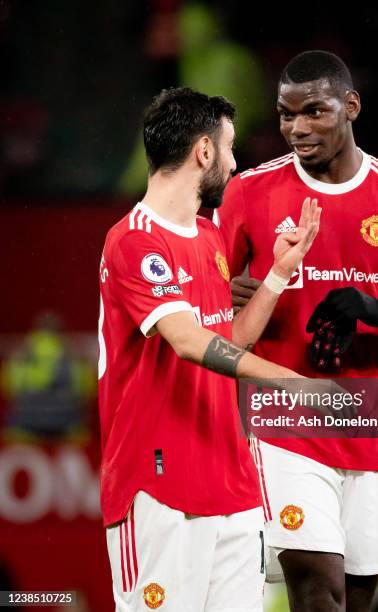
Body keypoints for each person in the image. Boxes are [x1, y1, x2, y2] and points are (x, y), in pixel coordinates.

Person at [217, 51, 378, 611]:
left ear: (351, 105)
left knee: (355, 602)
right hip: (284, 423)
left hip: (373, 428)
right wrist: (232, 290)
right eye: (286, 115)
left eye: (314, 111)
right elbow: (203, 300)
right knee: (317, 591)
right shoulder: (248, 193)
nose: (297, 129)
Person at [97, 86, 322, 612]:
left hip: (233, 485)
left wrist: (277, 276)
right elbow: (187, 340)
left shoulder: (207, 237)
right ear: (204, 152)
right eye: (229, 147)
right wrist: (288, 381)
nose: (234, 161)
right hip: (157, 488)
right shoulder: (133, 240)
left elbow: (229, 340)